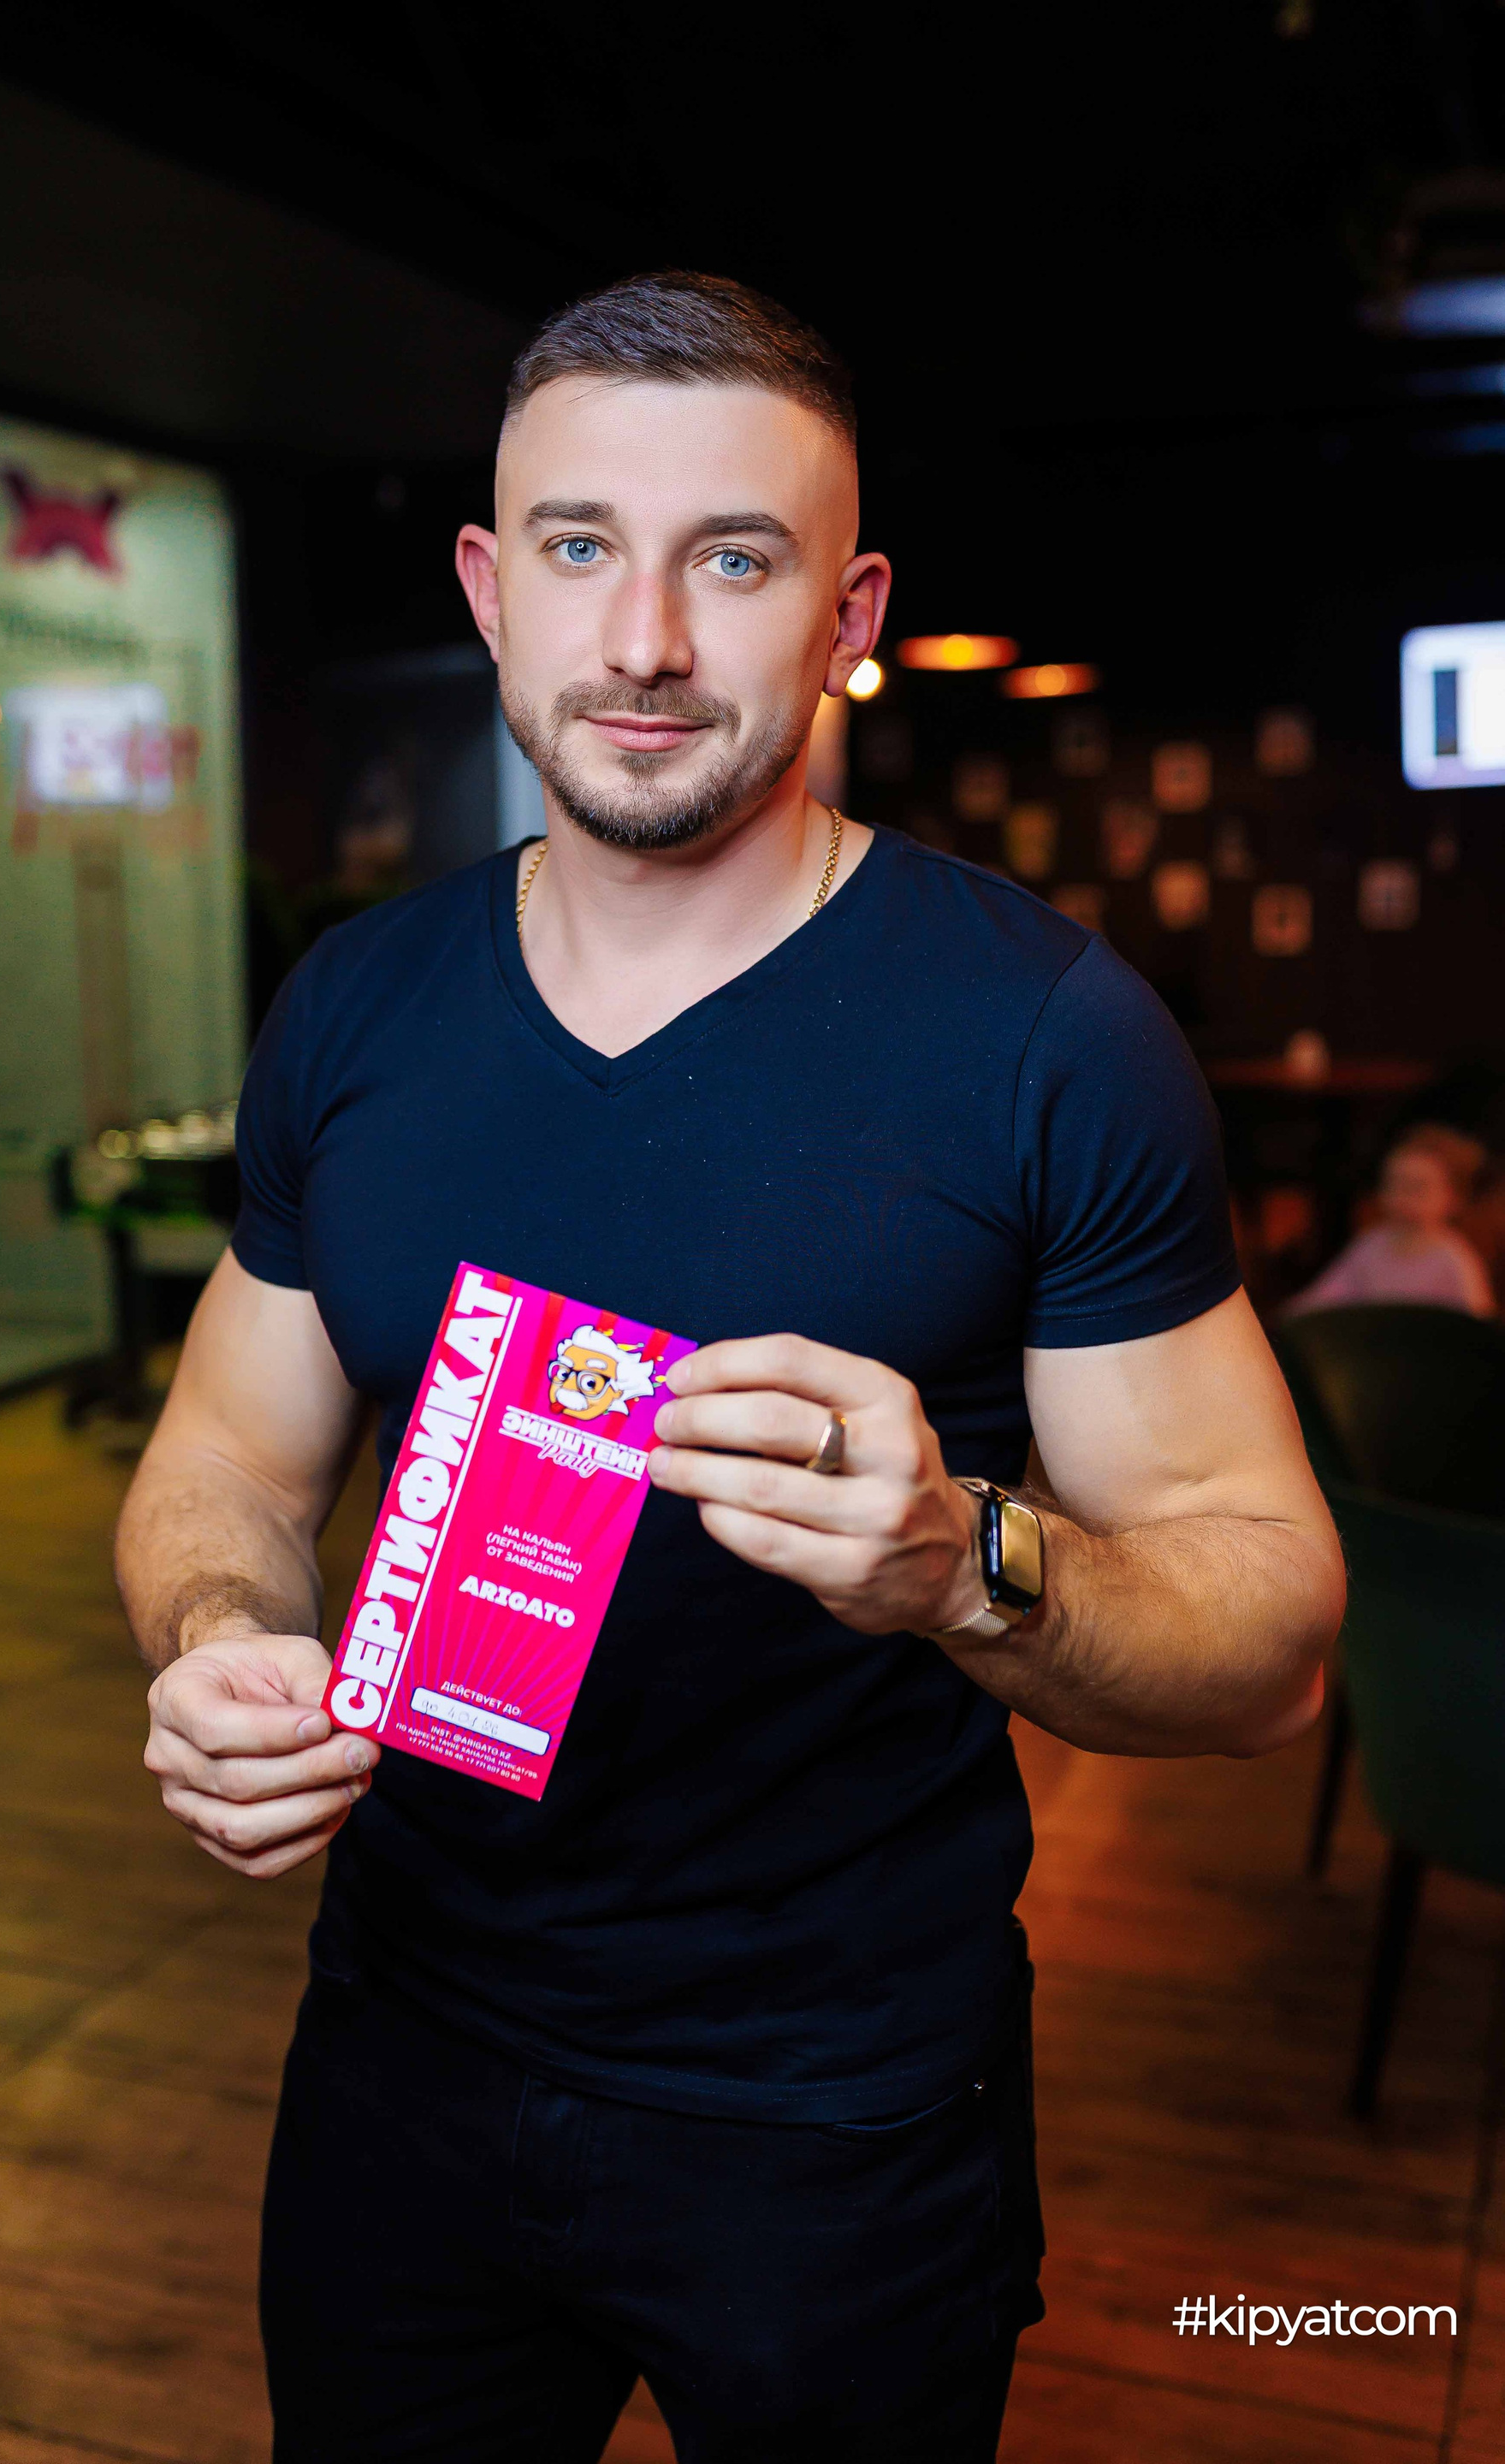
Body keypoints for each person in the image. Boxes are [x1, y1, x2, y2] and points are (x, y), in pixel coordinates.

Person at [118, 273, 1344, 2464]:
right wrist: (223, 1633)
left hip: (837, 2110)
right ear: (490, 589)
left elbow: (1271, 1646)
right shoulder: (357, 1007)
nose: (648, 638)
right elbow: (226, 1449)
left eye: (738, 558)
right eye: (581, 545)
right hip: (401, 2046)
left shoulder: (1046, 1039)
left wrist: (961, 1557)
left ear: (849, 613)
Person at [1287, 1126, 1494, 1318]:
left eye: (1416, 1188)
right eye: (1394, 1185)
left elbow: (1476, 1326)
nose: (1402, 1198)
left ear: (1453, 1197)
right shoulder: (1371, 1245)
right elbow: (1323, 1298)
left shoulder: (1453, 1260)